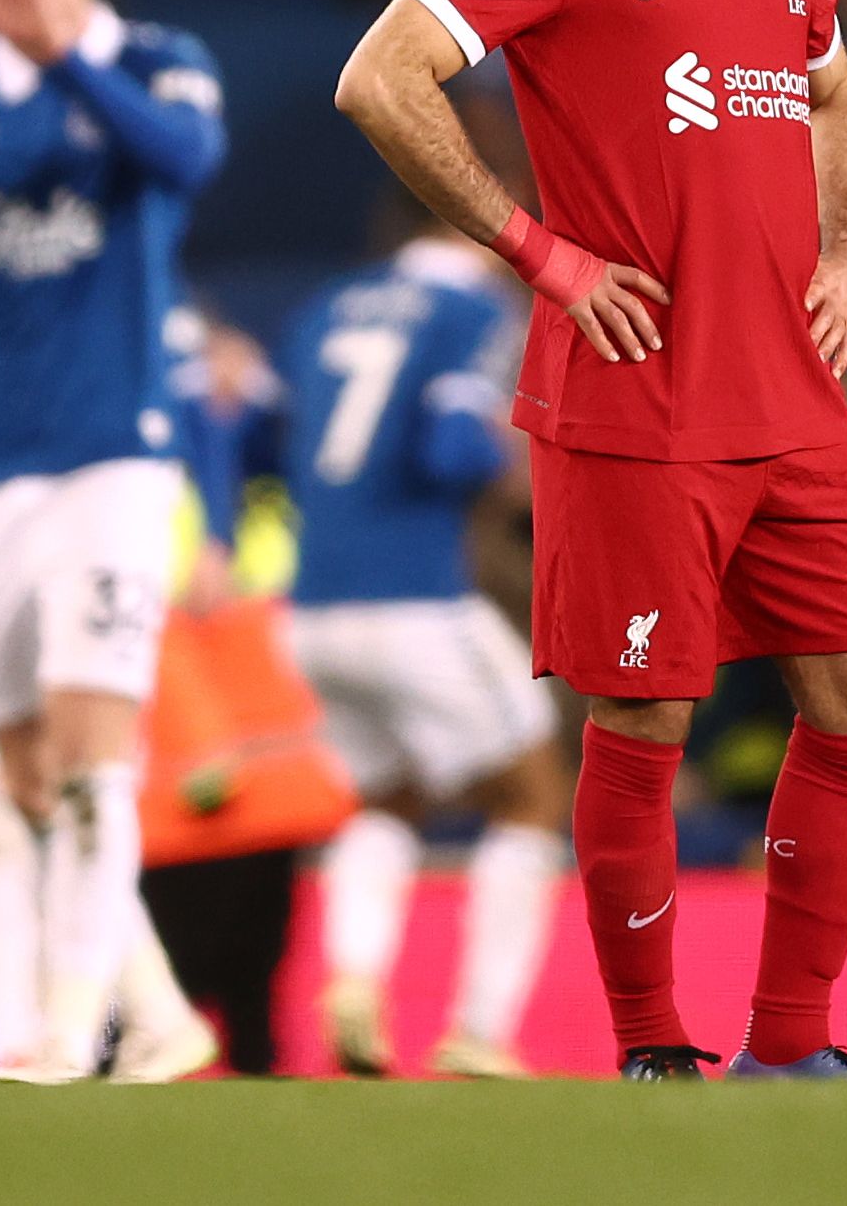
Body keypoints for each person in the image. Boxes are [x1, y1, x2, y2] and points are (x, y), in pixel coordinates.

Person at [334, 0, 847, 1082]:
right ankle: (654, 1048)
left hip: (789, 393)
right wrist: (539, 252)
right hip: (637, 392)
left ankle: (789, 1047)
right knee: (646, 710)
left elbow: (835, 93)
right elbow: (380, 77)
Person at [0, 0, 228, 1083]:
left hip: (111, 458)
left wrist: (62, 51)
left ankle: (60, 1033)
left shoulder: (153, 60)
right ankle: (160, 1016)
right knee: (29, 775)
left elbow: (186, 161)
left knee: (96, 759)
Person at [277, 211, 564, 1081]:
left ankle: (354, 980)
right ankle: (479, 1027)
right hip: (417, 599)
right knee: (531, 796)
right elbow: (452, 450)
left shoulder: (322, 308)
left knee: (386, 799)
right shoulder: (471, 311)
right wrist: (515, 464)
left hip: (313, 607)